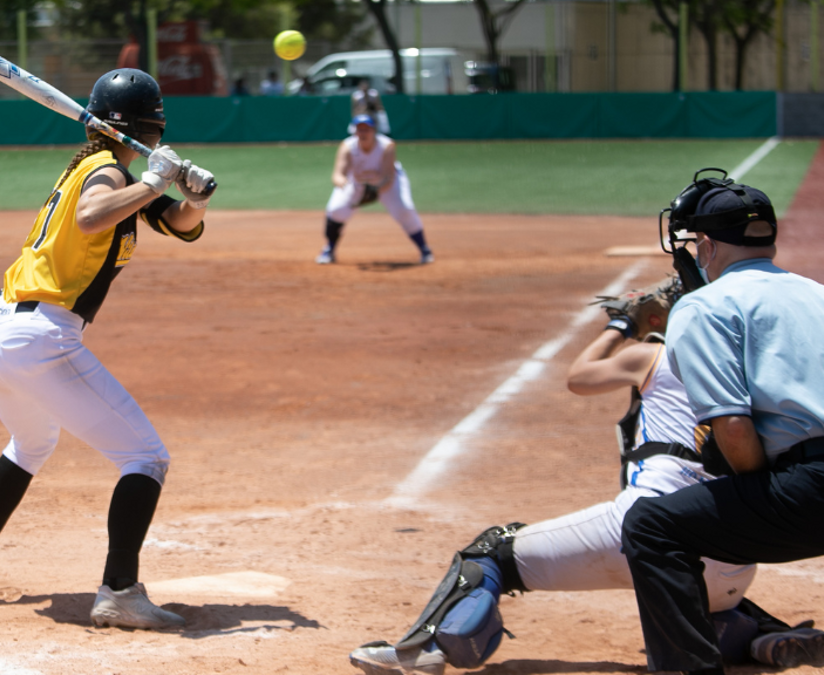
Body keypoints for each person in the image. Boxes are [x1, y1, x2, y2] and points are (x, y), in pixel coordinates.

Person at [348, 276, 819, 675]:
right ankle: (763, 639)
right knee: (695, 594)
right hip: (735, 554)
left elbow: (580, 376)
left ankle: (421, 651)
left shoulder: (652, 355)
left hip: (642, 531)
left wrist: (625, 324)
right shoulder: (755, 368)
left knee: (492, 551)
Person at [0, 68, 216, 631]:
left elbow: (178, 222)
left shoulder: (106, 172)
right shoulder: (106, 172)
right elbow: (95, 218)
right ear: (145, 124)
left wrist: (193, 196)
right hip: (38, 336)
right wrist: (155, 180)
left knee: (31, 442)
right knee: (145, 457)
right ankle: (120, 591)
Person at [622, 173, 824, 673]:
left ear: (707, 245)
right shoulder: (817, 294)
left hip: (810, 493)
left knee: (652, 526)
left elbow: (732, 428)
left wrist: (751, 489)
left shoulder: (702, 306)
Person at [316, 114, 432, 265]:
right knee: (336, 209)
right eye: (360, 129)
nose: (363, 133)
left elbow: (388, 177)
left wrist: (374, 191)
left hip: (389, 183)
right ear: (355, 131)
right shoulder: (347, 146)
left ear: (373, 130)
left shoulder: (386, 146)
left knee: (404, 209)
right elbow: (337, 175)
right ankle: (329, 250)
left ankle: (424, 250)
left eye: (367, 129)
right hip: (357, 184)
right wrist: (343, 183)